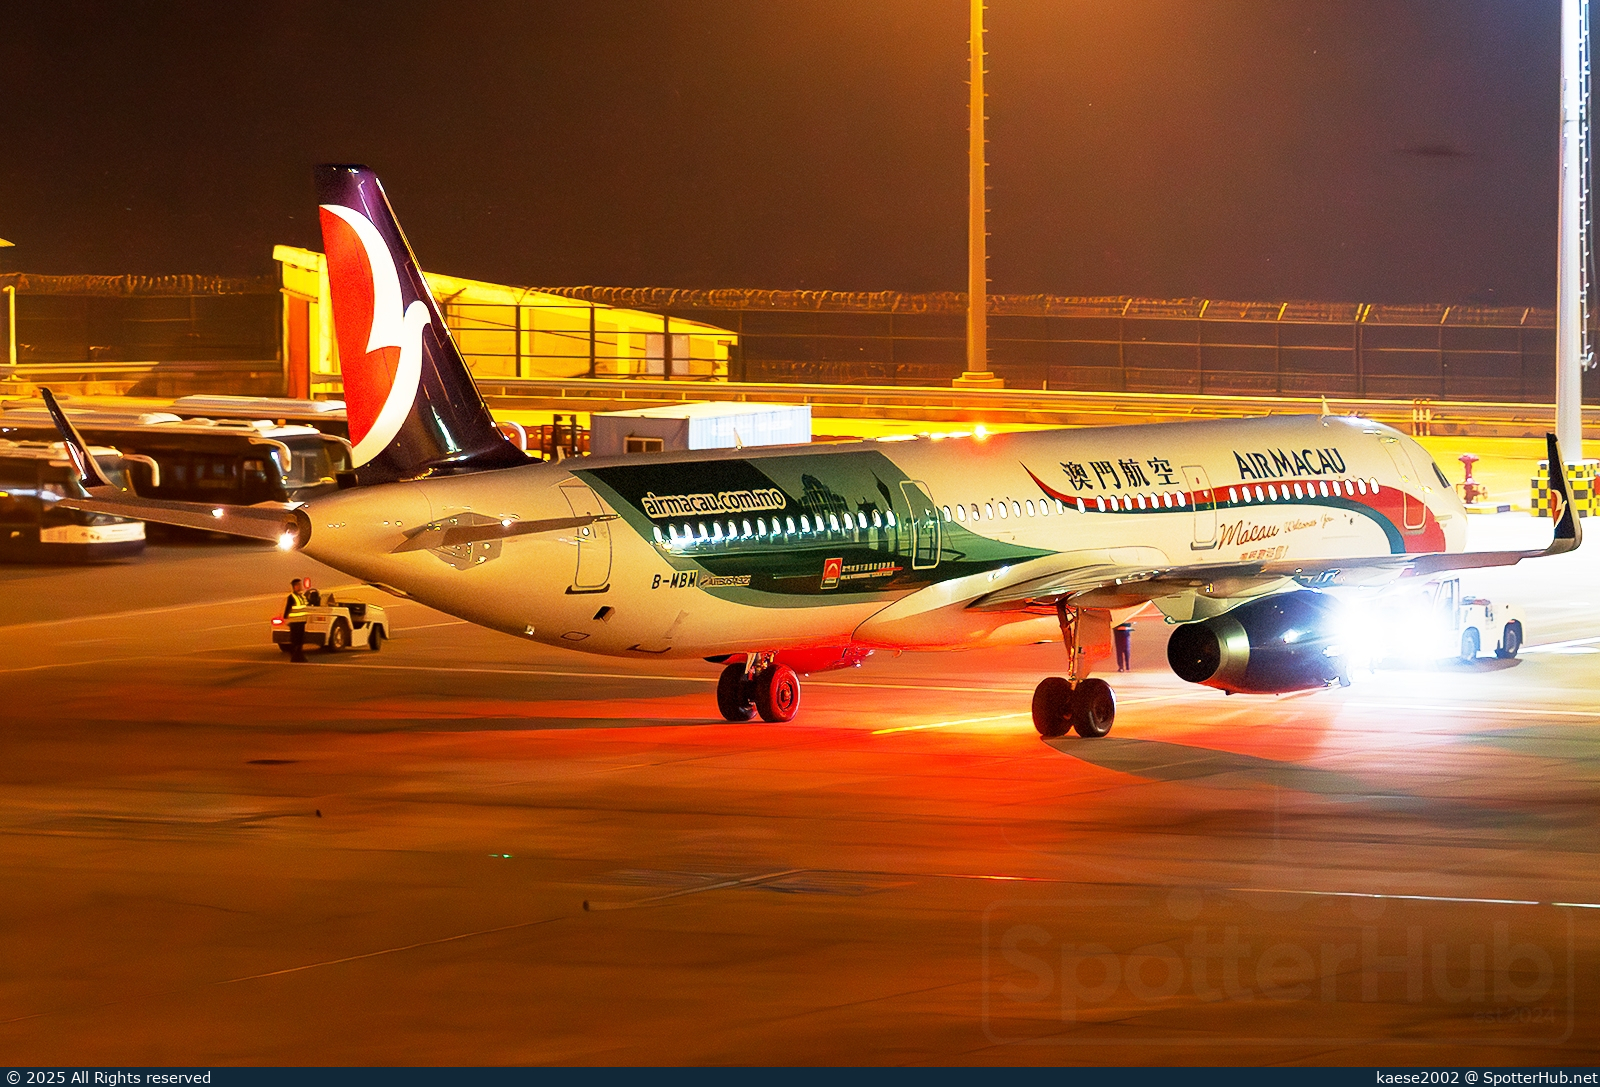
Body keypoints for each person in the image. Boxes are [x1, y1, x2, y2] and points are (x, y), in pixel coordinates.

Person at [284, 577, 310, 662]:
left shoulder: (302, 596)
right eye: (299, 584)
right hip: (295, 622)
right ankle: (296, 657)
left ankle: (299, 656)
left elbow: (306, 606)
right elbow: (288, 608)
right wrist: (285, 618)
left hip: (302, 621)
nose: (301, 586)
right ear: (295, 586)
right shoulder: (292, 597)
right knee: (295, 640)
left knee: (300, 640)